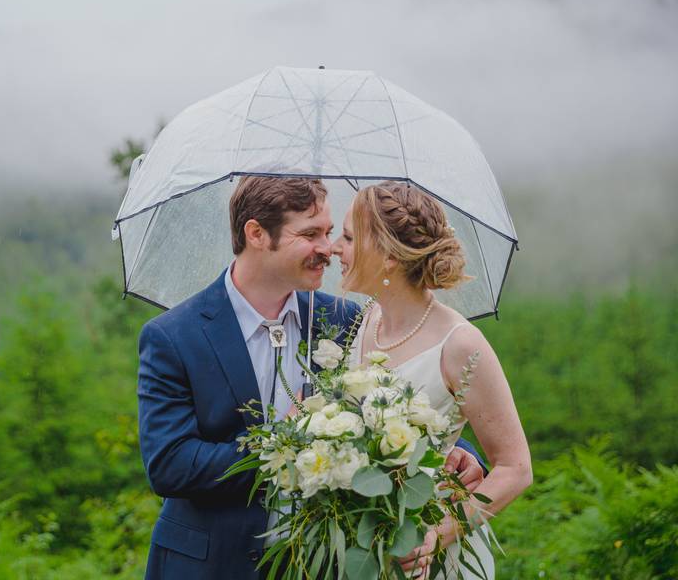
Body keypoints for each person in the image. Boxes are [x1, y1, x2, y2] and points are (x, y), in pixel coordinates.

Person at [138, 176, 487, 579]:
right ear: (256, 234)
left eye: (329, 231)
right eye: (310, 234)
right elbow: (169, 464)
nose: (328, 248)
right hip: (208, 566)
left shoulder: (345, 319)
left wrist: (457, 451)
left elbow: (384, 408)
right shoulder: (173, 336)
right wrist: (281, 445)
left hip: (320, 565)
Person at [331, 181, 533, 579]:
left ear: (387, 256)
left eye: (349, 237)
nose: (335, 247)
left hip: (424, 553)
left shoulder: (459, 344)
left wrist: (436, 535)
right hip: (361, 544)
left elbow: (516, 468)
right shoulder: (365, 319)